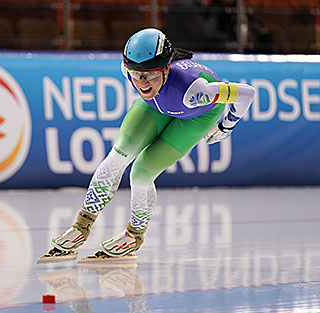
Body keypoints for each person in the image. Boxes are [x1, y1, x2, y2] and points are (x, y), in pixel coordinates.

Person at [38, 28, 255, 263]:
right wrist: (146, 78)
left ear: (165, 68)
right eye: (135, 74)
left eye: (149, 74)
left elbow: (247, 93)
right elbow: (142, 77)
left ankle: (134, 235)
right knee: (118, 155)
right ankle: (81, 227)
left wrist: (226, 126)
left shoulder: (197, 91)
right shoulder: (128, 70)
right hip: (157, 105)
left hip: (196, 115)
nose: (141, 82)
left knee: (141, 173)